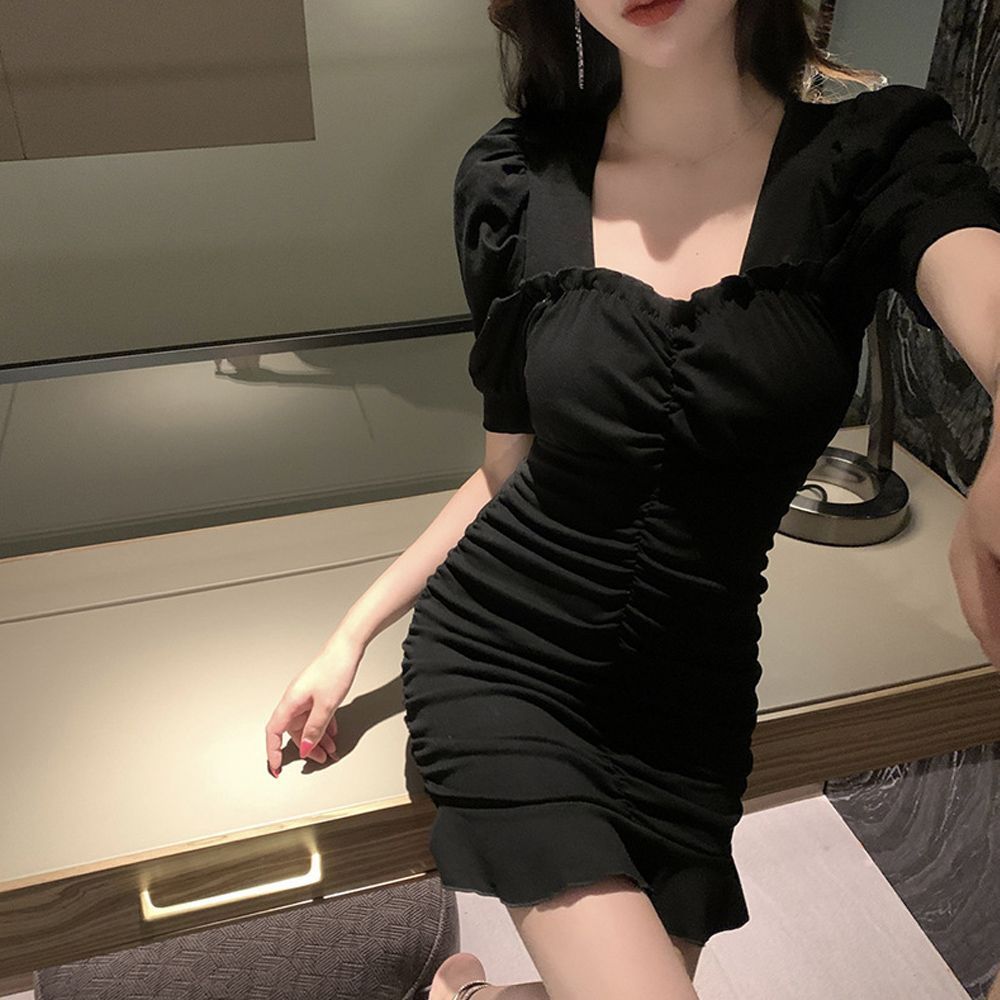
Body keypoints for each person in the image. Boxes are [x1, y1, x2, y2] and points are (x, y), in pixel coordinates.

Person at [265, 2, 1000, 998]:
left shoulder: (873, 154)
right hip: (507, 662)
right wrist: (349, 637)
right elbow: (506, 473)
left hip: (691, 699)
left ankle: (465, 994)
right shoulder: (517, 182)